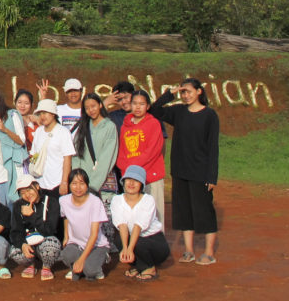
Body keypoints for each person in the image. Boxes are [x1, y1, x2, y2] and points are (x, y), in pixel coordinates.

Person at [150, 78, 220, 266]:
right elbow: (154, 110)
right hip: (180, 170)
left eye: (188, 91)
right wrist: (169, 94)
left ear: (199, 92)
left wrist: (211, 176)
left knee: (204, 211)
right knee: (183, 211)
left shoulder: (210, 115)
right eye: (183, 92)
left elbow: (213, 148)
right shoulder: (178, 112)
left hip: (201, 172)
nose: (185, 95)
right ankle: (189, 251)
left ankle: (209, 252)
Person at [116, 90, 167, 225]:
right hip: (131, 177)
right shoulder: (125, 126)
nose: (138, 107)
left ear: (148, 106)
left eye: (142, 104)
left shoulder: (154, 123)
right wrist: (126, 172)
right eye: (135, 103)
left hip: (150, 176)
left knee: (154, 216)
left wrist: (133, 170)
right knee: (134, 215)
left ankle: (156, 245)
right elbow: (122, 152)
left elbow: (152, 151)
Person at [26, 99, 74, 238]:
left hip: (57, 183)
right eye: (40, 113)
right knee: (42, 215)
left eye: (46, 113)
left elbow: (67, 159)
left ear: (53, 114)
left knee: (58, 215)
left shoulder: (63, 132)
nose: (43, 116)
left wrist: (64, 182)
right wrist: (33, 168)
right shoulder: (39, 131)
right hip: (41, 182)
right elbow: (34, 153)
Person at [111, 165, 169, 281]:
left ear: (141, 185)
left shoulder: (148, 200)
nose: (131, 183)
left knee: (138, 243)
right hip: (134, 238)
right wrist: (125, 248)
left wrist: (129, 249)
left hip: (154, 242)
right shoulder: (117, 200)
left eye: (136, 181)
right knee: (119, 240)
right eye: (128, 180)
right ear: (123, 181)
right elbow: (122, 225)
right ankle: (139, 266)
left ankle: (149, 267)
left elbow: (138, 226)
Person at [58, 168, 110, 281]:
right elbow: (65, 216)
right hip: (76, 243)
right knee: (66, 255)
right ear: (69, 185)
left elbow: (94, 234)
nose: (78, 187)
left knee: (89, 271)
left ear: (87, 185)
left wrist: (81, 260)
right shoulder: (63, 201)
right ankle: (80, 266)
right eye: (74, 183)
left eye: (82, 183)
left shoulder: (95, 202)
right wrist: (66, 236)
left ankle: (99, 261)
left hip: (96, 245)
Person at [8, 177, 62, 280]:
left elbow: (50, 230)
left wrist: (32, 215)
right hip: (29, 244)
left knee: (52, 244)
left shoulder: (51, 202)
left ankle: (46, 266)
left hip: (45, 243)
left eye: (29, 190)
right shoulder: (17, 205)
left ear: (37, 186)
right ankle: (30, 265)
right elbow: (15, 232)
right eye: (22, 193)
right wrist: (22, 244)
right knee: (13, 251)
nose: (27, 195)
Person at [71, 93, 119, 199]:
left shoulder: (109, 126)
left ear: (100, 105)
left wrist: (92, 186)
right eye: (87, 108)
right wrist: (78, 179)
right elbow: (76, 154)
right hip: (82, 183)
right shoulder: (83, 126)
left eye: (93, 106)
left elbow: (107, 158)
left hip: (103, 183)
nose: (91, 110)